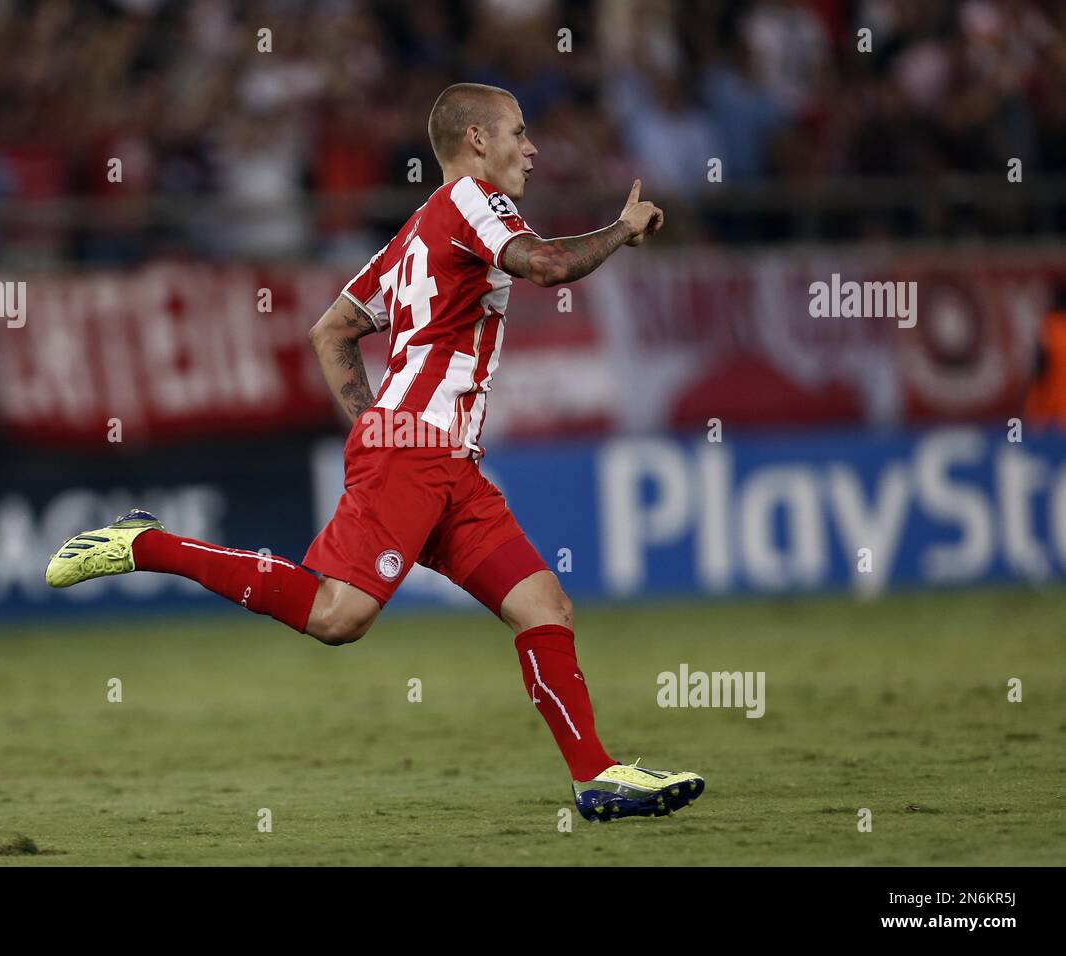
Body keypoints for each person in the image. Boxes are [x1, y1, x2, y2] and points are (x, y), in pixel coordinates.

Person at [46, 83, 704, 821]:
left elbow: (331, 331)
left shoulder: (417, 229)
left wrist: (372, 422)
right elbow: (547, 266)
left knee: (544, 606)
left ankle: (595, 776)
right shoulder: (473, 203)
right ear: (477, 142)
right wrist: (620, 229)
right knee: (337, 617)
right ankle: (148, 544)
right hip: (415, 454)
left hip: (443, 460)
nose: (533, 147)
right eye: (519, 132)